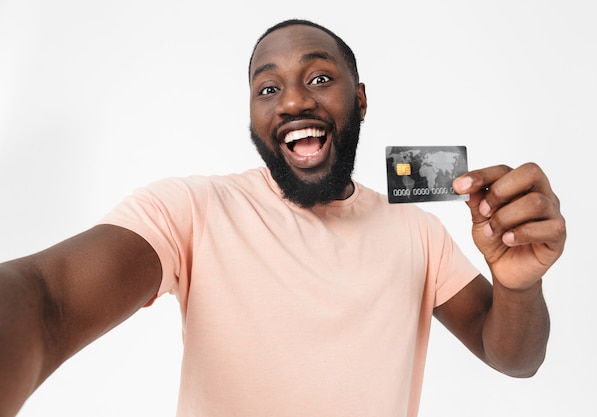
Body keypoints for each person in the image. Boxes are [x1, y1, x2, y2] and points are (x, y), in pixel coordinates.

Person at [0, 18, 566, 417]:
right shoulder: (190, 210)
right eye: (268, 87)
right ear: (251, 113)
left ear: (360, 99)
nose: (293, 102)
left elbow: (512, 357)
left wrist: (519, 285)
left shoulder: (417, 232)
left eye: (319, 78)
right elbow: (48, 299)